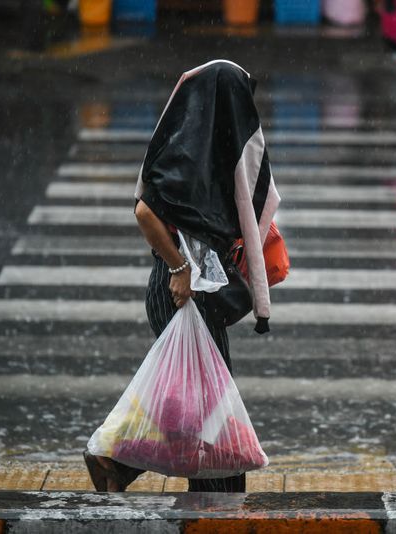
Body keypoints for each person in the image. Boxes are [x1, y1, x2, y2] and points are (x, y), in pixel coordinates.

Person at [84, 59, 280, 492]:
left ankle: (117, 463)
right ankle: (119, 460)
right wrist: (179, 267)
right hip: (179, 288)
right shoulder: (185, 150)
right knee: (213, 426)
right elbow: (145, 211)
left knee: (200, 412)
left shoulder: (206, 148)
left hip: (194, 289)